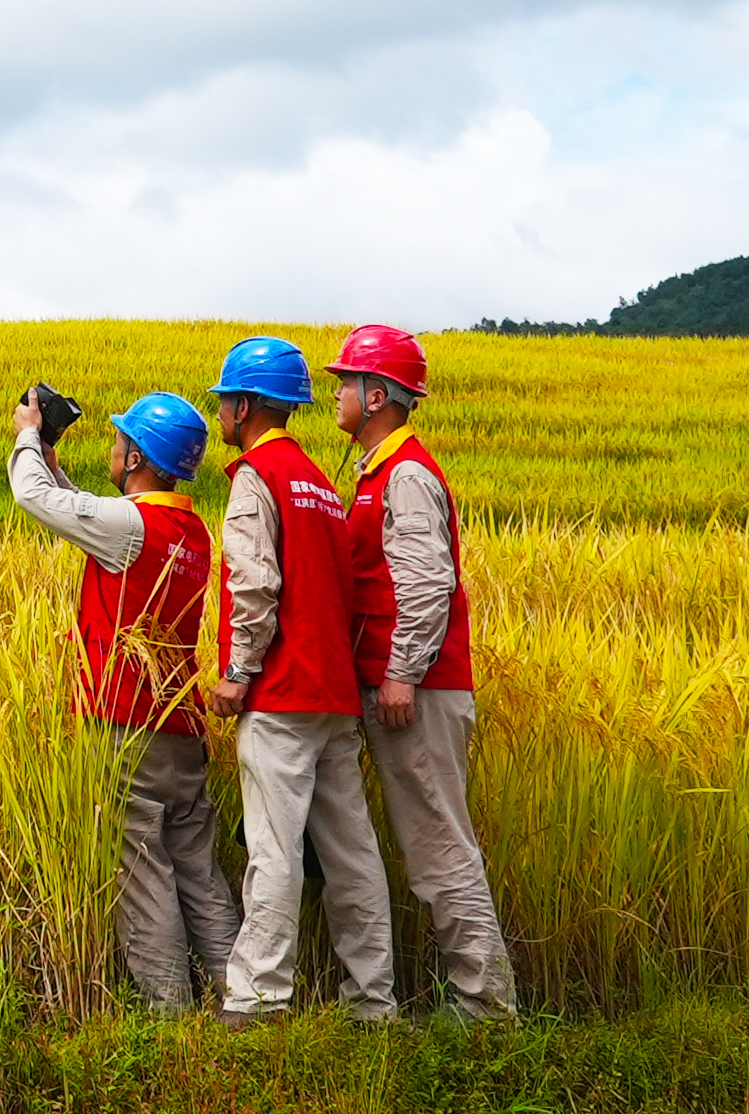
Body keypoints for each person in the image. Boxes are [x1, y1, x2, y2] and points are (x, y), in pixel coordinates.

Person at [5, 386, 239, 1008]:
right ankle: (242, 1004)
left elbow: (36, 499)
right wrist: (55, 462)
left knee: (142, 870)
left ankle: (170, 1016)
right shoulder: (191, 530)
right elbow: (86, 509)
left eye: (118, 441)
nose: (113, 448)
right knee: (197, 868)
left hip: (126, 723)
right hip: (182, 728)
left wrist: (30, 435)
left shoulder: (131, 528)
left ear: (135, 458)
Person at [199, 335, 395, 1028]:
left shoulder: (258, 475)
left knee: (274, 853)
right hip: (335, 698)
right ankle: (375, 1002)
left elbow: (254, 585)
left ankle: (259, 1000)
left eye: (226, 399)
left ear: (245, 404)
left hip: (281, 695)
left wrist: (234, 673)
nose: (221, 411)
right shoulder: (317, 481)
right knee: (353, 855)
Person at [333, 324, 518, 1022]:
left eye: (347, 383)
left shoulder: (405, 476)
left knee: (441, 849)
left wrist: (402, 672)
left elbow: (427, 583)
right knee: (435, 845)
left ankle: (487, 1010)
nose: (338, 395)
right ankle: (480, 1003)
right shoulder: (381, 471)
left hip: (418, 692)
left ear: (377, 395)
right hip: (405, 684)